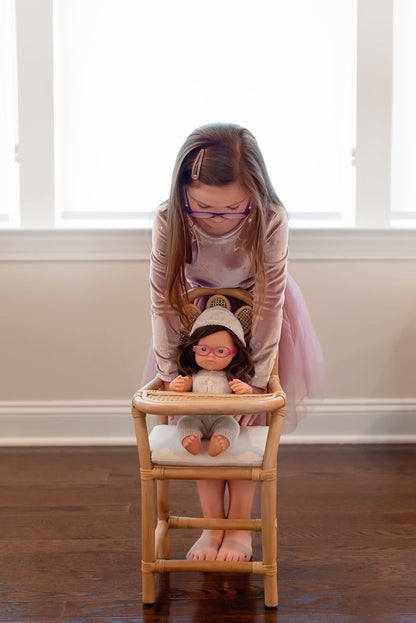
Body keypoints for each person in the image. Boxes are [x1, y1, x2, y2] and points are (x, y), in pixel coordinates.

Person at [144, 122, 323, 562]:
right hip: (199, 323)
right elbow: (162, 300)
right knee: (203, 419)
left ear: (255, 197)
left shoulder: (270, 219)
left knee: (246, 424)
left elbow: (269, 301)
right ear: (184, 190)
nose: (216, 218)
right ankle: (212, 526)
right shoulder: (171, 219)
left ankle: (239, 526)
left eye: (231, 209)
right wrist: (169, 374)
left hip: (258, 322)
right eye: (203, 207)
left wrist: (258, 381)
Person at [169, 306, 255, 457]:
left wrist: (246, 390)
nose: (210, 357)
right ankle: (190, 439)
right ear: (193, 348)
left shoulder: (231, 378)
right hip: (195, 416)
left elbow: (245, 396)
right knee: (185, 423)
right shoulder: (195, 375)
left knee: (232, 426)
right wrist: (177, 385)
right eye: (203, 350)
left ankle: (222, 440)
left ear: (234, 353)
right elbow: (185, 384)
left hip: (223, 417)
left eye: (221, 351)